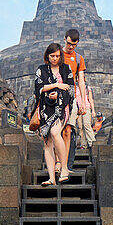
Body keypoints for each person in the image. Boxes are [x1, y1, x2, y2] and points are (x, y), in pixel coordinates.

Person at [33, 42, 73, 185]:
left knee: (56, 132)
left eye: (57, 56)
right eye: (52, 56)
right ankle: (51, 178)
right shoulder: (41, 69)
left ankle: (64, 168)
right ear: (47, 56)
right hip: (45, 108)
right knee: (48, 142)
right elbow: (38, 88)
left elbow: (71, 90)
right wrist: (56, 85)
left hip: (62, 108)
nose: (55, 58)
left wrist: (59, 95)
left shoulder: (66, 69)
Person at [61, 29, 87, 169]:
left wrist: (82, 101)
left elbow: (81, 81)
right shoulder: (56, 55)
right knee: (57, 131)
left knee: (68, 130)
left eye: (74, 45)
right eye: (70, 43)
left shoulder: (78, 58)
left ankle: (67, 165)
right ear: (65, 39)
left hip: (72, 97)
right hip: (57, 97)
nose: (71, 47)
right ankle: (58, 162)